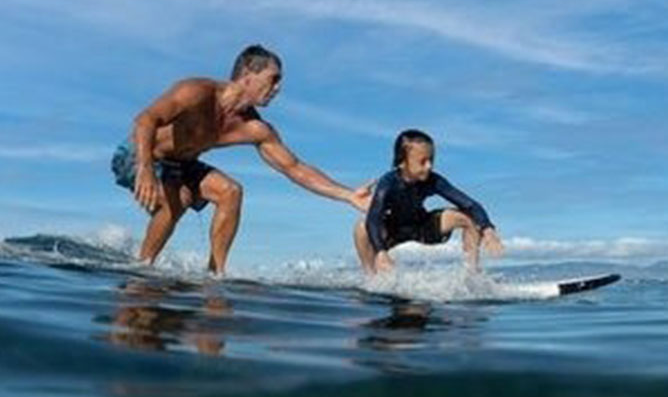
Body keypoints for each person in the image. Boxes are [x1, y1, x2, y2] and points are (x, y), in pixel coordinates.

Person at [111, 44, 370, 275]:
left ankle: (215, 274)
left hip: (183, 164)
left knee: (231, 191)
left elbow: (296, 168)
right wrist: (144, 167)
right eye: (274, 79)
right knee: (180, 200)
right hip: (140, 152)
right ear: (247, 74)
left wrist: (348, 196)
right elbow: (146, 119)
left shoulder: (255, 128)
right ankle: (141, 271)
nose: (278, 88)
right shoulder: (196, 92)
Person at [354, 129, 503, 273]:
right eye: (423, 161)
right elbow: (374, 218)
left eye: (431, 160)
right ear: (402, 162)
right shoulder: (388, 183)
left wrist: (487, 228)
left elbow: (469, 204)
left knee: (467, 217)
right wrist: (380, 251)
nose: (429, 166)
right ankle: (371, 277)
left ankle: (472, 274)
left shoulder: (433, 180)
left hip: (421, 226)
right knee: (361, 227)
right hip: (393, 230)